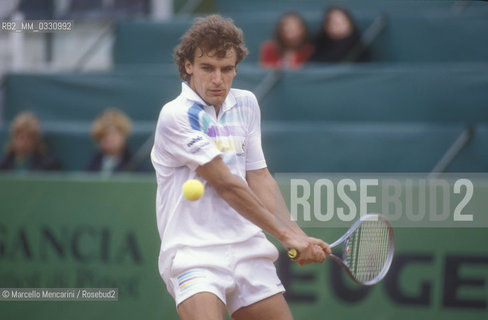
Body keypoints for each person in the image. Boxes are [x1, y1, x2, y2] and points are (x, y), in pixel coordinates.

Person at [151, 14, 330, 320]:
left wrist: (298, 234)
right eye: (207, 68)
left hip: (248, 247)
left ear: (236, 69)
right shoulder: (176, 115)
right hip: (194, 253)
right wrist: (287, 238)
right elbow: (228, 185)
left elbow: (259, 176)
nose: (217, 79)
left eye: (226, 69)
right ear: (188, 66)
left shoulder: (246, 104)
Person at [86, 108, 133, 174]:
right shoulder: (92, 165)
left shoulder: (136, 166)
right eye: (103, 135)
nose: (108, 139)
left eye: (113, 134)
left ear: (123, 135)